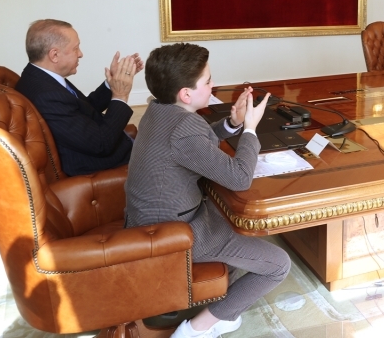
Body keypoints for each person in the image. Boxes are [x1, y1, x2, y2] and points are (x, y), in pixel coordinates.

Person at [124, 43, 290, 338]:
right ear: (186, 94)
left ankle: (221, 302)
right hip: (173, 234)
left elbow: (195, 144)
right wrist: (250, 128)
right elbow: (240, 178)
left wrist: (233, 123)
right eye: (208, 81)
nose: (214, 85)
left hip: (150, 221)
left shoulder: (159, 109)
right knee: (278, 265)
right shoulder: (185, 128)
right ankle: (196, 328)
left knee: (233, 225)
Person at [15, 19, 142, 176]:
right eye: (76, 48)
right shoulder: (47, 96)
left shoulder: (40, 78)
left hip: (110, 146)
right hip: (103, 163)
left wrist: (112, 83)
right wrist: (120, 95)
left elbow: (84, 108)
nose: (80, 54)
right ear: (54, 55)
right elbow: (101, 144)